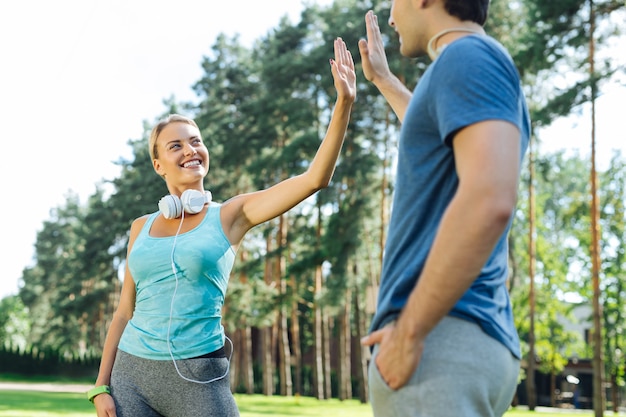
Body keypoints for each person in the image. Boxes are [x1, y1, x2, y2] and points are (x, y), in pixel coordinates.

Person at [87, 37, 356, 417]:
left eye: (195, 142)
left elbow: (314, 179)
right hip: (131, 375)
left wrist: (343, 104)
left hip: (199, 376)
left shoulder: (230, 214)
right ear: (159, 165)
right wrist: (102, 385)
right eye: (175, 146)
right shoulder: (140, 227)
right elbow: (123, 312)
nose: (190, 150)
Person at [358, 2, 530, 417]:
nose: (393, 19)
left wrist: (410, 335)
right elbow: (432, 133)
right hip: (453, 343)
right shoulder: (464, 62)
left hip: (439, 346)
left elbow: (489, 200)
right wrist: (383, 80)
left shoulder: (469, 56)